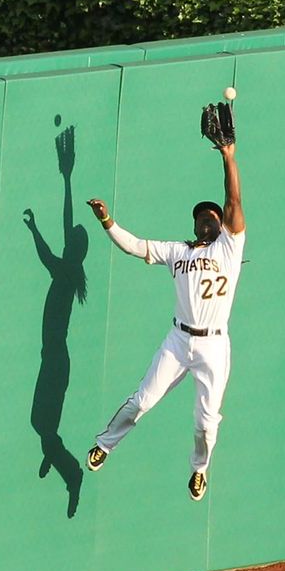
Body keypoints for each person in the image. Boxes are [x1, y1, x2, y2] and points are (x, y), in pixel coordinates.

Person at [86, 142, 245, 501]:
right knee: (142, 401)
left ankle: (200, 469)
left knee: (206, 424)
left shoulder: (229, 248)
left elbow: (234, 202)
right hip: (178, 340)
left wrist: (228, 157)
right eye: (201, 216)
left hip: (213, 346)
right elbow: (136, 246)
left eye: (212, 216)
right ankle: (105, 445)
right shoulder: (179, 252)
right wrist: (107, 222)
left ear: (222, 224)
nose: (206, 218)